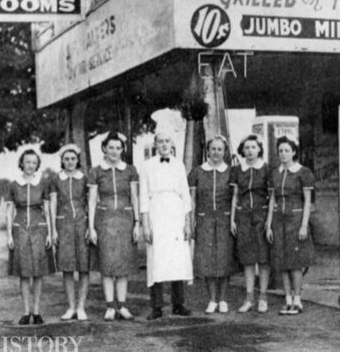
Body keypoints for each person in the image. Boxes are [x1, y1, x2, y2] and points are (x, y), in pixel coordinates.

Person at [87, 132, 140, 321]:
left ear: (122, 150)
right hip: (104, 221)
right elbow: (92, 200)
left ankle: (123, 306)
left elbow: (134, 197)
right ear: (104, 148)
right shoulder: (95, 171)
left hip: (125, 220)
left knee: (123, 264)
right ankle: (110, 306)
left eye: (118, 148)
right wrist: (91, 227)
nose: (115, 151)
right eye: (111, 148)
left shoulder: (130, 170)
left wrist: (137, 223)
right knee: (107, 264)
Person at [140, 132, 193, 320]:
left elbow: (186, 195)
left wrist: (187, 223)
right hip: (156, 214)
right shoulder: (147, 166)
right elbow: (144, 196)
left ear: (172, 143)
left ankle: (178, 304)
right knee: (157, 259)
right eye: (160, 141)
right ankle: (156, 307)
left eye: (167, 141)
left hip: (176, 214)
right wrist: (145, 225)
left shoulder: (179, 165)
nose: (164, 144)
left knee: (177, 259)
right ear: (155, 144)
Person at [266, 135, 315, 315]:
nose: (283, 154)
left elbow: (307, 201)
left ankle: (297, 299)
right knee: (282, 262)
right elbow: (272, 199)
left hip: (296, 220)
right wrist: (269, 224)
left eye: (287, 150)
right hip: (279, 221)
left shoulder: (303, 172)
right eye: (280, 151)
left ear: (294, 152)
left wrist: (304, 225)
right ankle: (287, 299)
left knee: (295, 263)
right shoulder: (275, 173)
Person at [6, 149, 55, 325]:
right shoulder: (14, 184)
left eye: (34, 162)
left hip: (38, 228)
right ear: (22, 163)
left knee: (38, 271)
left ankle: (37, 311)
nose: (30, 166)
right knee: (24, 272)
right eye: (27, 162)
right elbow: (9, 210)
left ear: (37, 164)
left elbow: (47, 209)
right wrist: (8, 235)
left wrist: (49, 231)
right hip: (20, 228)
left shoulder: (43, 183)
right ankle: (26, 312)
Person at [188, 135, 236, 314]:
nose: (216, 153)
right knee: (207, 259)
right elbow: (192, 199)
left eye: (220, 149)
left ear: (224, 152)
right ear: (207, 151)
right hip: (204, 219)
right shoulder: (197, 172)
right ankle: (212, 299)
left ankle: (223, 299)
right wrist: (192, 220)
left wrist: (233, 219)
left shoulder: (231, 172)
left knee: (224, 259)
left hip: (224, 219)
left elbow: (234, 198)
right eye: (213, 149)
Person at [49, 144, 94, 322]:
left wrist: (91, 227)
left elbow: (91, 203)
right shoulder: (55, 180)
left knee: (83, 267)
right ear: (61, 160)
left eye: (73, 159)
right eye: (66, 159)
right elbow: (52, 205)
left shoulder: (85, 178)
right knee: (67, 268)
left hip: (82, 225)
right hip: (63, 226)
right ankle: (71, 307)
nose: (70, 162)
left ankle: (81, 307)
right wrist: (53, 229)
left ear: (78, 160)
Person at [230, 134, 271, 313]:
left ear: (259, 149)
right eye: (246, 148)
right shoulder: (237, 170)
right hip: (243, 216)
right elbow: (235, 196)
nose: (250, 151)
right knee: (247, 260)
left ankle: (263, 297)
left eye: (253, 147)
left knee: (263, 259)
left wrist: (269, 222)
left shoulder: (267, 169)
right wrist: (233, 218)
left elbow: (272, 197)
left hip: (261, 216)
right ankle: (249, 298)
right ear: (242, 150)